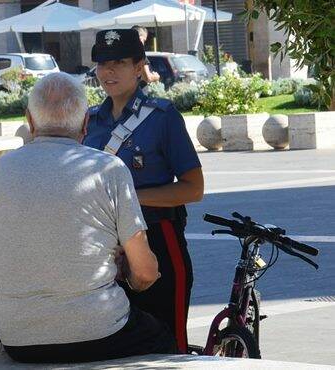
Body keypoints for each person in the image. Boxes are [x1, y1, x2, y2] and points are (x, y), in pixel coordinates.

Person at [0, 72, 177, 364]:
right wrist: (130, 278)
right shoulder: (108, 168)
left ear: (30, 120)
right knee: (164, 337)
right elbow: (146, 272)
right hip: (97, 329)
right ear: (86, 123)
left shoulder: (4, 168)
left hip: (18, 336)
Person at [83, 29, 204, 354]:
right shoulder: (89, 122)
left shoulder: (163, 118)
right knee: (115, 347)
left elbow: (194, 188)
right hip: (105, 249)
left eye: (119, 62)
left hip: (158, 239)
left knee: (168, 345)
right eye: (102, 63)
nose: (108, 71)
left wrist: (130, 200)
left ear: (139, 67)